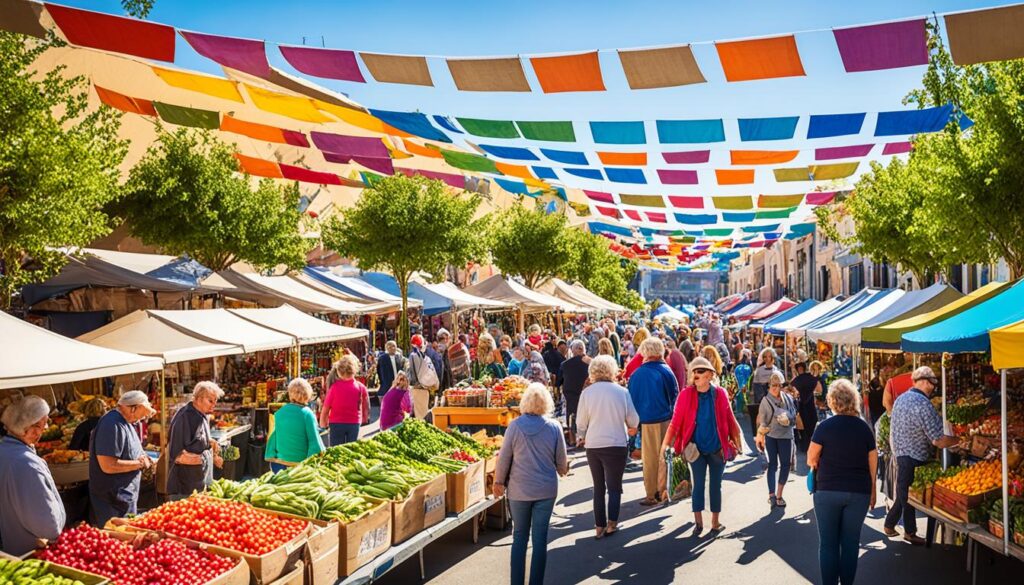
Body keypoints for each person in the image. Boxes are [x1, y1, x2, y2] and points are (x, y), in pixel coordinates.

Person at [493, 384, 568, 585]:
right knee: (540, 539)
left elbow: (504, 459)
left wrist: (498, 482)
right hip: (546, 490)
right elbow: (562, 463)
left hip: (519, 491)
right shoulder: (554, 427)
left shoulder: (515, 426)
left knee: (519, 537)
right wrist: (562, 469)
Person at [808, 379, 878, 585]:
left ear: (832, 401)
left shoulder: (824, 427)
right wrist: (873, 490)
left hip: (827, 491)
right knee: (850, 544)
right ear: (853, 401)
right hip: (859, 492)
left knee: (828, 544)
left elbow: (811, 458)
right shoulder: (864, 428)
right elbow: (872, 462)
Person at [661, 357, 742, 535]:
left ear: (710, 375)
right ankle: (698, 522)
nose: (695, 374)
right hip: (694, 449)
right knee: (698, 485)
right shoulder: (685, 394)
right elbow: (674, 424)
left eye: (700, 371)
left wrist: (737, 440)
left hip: (717, 448)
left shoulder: (719, 393)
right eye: (694, 371)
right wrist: (666, 445)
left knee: (716, 485)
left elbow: (730, 418)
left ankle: (715, 522)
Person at [884, 366, 959, 545]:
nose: (933, 387)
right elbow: (938, 440)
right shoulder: (923, 404)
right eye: (932, 383)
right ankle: (910, 532)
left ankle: (889, 524)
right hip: (914, 456)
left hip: (900, 453)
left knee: (904, 491)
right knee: (907, 494)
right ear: (924, 381)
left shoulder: (901, 398)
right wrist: (959, 440)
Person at [576, 356, 639, 538]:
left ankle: (598, 526)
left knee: (598, 487)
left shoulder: (587, 393)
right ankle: (612, 523)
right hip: (616, 443)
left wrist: (582, 436)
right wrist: (631, 427)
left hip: (594, 444)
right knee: (614, 486)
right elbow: (633, 419)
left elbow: (581, 422)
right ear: (612, 370)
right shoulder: (621, 392)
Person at [0, 396, 65, 555]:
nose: (46, 427)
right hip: (29, 554)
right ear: (30, 428)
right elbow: (48, 527)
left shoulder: (3, 452)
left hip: (8, 549)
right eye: (43, 423)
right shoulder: (28, 464)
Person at [89, 391, 155, 528]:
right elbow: (107, 465)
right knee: (116, 539)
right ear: (133, 408)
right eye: (143, 413)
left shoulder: (126, 423)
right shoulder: (111, 424)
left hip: (123, 498)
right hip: (113, 500)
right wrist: (140, 464)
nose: (143, 418)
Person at [628, 337, 679, 505]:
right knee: (665, 456)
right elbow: (674, 397)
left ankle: (651, 493)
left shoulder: (637, 374)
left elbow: (631, 400)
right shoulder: (666, 371)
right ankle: (664, 489)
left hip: (646, 421)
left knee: (649, 459)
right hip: (665, 419)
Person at [167, 381, 224, 498]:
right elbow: (179, 457)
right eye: (210, 400)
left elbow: (195, 440)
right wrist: (207, 459)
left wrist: (209, 441)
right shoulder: (184, 418)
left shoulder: (201, 414)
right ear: (198, 398)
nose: (214, 404)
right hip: (185, 487)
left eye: (215, 401)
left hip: (198, 482)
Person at [756, 372, 797, 507]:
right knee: (772, 465)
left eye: (778, 385)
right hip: (772, 437)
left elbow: (794, 416)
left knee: (785, 465)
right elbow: (763, 422)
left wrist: (788, 419)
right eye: (772, 385)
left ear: (781, 385)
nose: (775, 388)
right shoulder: (765, 401)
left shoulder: (788, 398)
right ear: (769, 385)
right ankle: (771, 495)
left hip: (786, 436)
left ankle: (779, 494)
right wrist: (761, 434)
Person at [265, 378, 324, 471]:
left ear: (290, 394)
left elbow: (273, 437)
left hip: (279, 464)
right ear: (307, 394)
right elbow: (314, 441)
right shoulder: (308, 414)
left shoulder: (279, 413)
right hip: (300, 466)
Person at [320, 355, 371, 446]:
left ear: (338, 372)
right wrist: (364, 418)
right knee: (352, 448)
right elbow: (365, 405)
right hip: (354, 422)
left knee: (336, 449)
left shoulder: (334, 388)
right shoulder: (361, 387)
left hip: (336, 422)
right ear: (355, 371)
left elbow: (326, 407)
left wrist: (323, 422)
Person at [557, 340, 590, 443]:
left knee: (571, 414)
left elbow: (558, 381)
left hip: (571, 394)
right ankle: (587, 437)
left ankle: (572, 439)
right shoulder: (591, 362)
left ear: (572, 350)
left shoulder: (565, 364)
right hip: (587, 394)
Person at [747, 348, 783, 437]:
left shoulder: (776, 370)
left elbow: (780, 383)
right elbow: (755, 383)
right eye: (765, 357)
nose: (767, 358)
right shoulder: (759, 370)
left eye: (769, 356)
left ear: (772, 358)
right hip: (761, 394)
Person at [791, 362, 824, 451]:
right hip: (808, 404)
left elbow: (792, 389)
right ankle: (811, 444)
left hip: (803, 404)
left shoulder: (797, 380)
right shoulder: (811, 378)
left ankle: (806, 445)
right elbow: (819, 390)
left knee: (805, 425)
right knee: (810, 424)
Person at [407, 334, 439, 419]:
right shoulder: (419, 355)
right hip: (421, 389)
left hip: (419, 389)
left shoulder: (415, 355)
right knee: (422, 415)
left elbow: (412, 375)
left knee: (421, 414)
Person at [733, 349, 753, 414]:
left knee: (739, 398)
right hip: (746, 385)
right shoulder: (749, 367)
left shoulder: (737, 367)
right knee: (745, 397)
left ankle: (739, 411)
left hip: (739, 385)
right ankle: (746, 409)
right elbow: (750, 377)